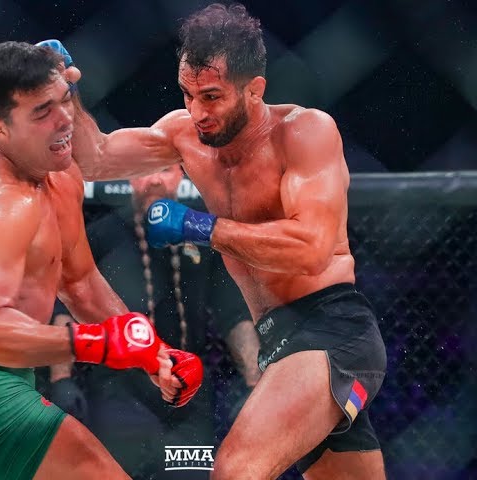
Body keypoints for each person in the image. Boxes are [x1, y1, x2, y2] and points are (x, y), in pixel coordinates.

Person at [44, 3, 388, 478]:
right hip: (277, 337)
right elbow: (95, 158)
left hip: (330, 330)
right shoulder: (183, 134)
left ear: (254, 89)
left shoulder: (304, 132)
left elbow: (311, 248)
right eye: (187, 94)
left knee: (236, 470)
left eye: (211, 97)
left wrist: (199, 226)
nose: (197, 112)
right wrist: (66, 94)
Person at [0, 41, 204, 480]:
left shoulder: (61, 177)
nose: (64, 119)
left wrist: (154, 355)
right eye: (42, 112)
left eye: (65, 100)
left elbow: (80, 282)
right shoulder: (4, 204)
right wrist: (92, 342)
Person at [46, 164, 262, 479]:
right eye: (145, 170)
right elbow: (67, 301)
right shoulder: (103, 234)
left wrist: (254, 381)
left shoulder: (200, 236)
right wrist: (61, 378)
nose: (156, 180)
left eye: (165, 170)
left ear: (181, 176)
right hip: (119, 388)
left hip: (187, 384)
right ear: (131, 178)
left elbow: (234, 314)